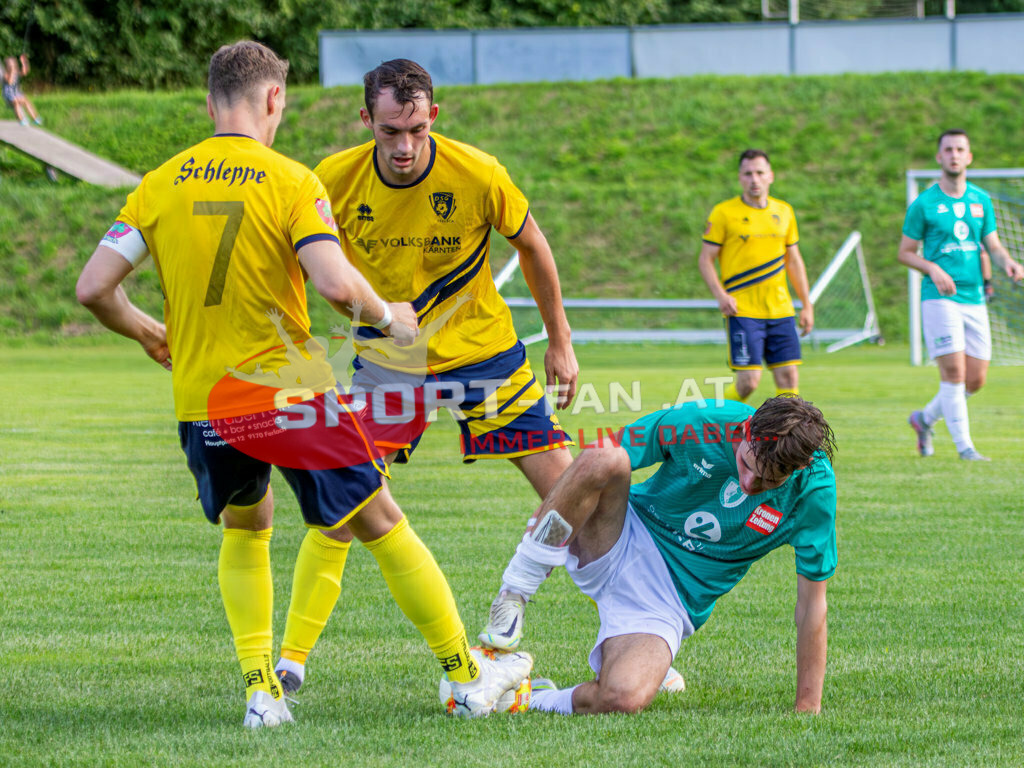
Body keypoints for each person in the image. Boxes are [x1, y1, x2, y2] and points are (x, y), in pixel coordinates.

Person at [75, 40, 531, 728]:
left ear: (210, 102)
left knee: (247, 530)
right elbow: (334, 284)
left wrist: (146, 331)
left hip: (203, 402)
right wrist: (390, 317)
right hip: (290, 399)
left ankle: (262, 694)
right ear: (274, 98)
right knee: (380, 521)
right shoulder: (292, 181)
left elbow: (93, 287)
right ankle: (467, 678)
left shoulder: (159, 185)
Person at [273, 58, 583, 694]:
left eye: (417, 129)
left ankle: (635, 640)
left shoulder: (478, 172)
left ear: (433, 116)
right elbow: (301, 269)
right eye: (390, 131)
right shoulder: (331, 181)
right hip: (390, 362)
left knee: (578, 497)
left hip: (485, 354)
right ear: (367, 120)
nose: (405, 146)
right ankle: (290, 663)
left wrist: (560, 340)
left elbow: (533, 246)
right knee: (342, 502)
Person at [475, 395, 836, 715]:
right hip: (620, 532)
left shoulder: (814, 492)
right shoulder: (703, 421)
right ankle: (513, 595)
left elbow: (811, 604)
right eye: (746, 465)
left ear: (799, 469)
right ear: (744, 430)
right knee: (605, 454)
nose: (748, 484)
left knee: (623, 697)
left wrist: (808, 706)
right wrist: (547, 531)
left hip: (669, 600)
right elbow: (595, 462)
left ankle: (527, 698)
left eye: (767, 482)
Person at [901, 129, 1024, 461]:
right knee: (953, 374)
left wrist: (1008, 263)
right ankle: (965, 448)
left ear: (969, 157)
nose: (954, 155)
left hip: (974, 299)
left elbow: (993, 245)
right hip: (940, 298)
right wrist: (932, 268)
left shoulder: (981, 200)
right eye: (948, 150)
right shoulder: (924, 203)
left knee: (976, 379)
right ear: (939, 157)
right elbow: (905, 252)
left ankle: (924, 419)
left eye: (960, 149)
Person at [698, 149, 814, 403]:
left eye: (760, 173)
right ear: (740, 177)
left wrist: (806, 304)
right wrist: (721, 296)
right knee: (748, 382)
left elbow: (794, 261)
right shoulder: (723, 213)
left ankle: (785, 429)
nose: (754, 179)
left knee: (788, 378)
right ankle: (716, 419)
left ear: (770, 176)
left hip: (780, 310)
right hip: (743, 310)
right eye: (748, 173)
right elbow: (705, 259)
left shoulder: (784, 211)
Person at [3, 54, 42, 126]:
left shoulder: (16, 72)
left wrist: (24, 63)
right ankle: (22, 120)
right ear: (7, 66)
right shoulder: (5, 73)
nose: (13, 66)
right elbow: (10, 82)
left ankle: (35, 118)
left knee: (26, 101)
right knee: (16, 103)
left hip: (16, 92)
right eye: (10, 65)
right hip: (9, 94)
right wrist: (12, 71)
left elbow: (25, 72)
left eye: (13, 64)